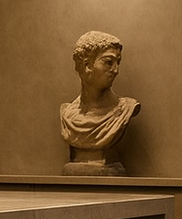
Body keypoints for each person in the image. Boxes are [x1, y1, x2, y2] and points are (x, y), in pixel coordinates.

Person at [60, 31, 140, 176]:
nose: (116, 70)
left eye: (118, 62)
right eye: (108, 62)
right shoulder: (67, 114)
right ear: (87, 65)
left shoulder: (125, 110)